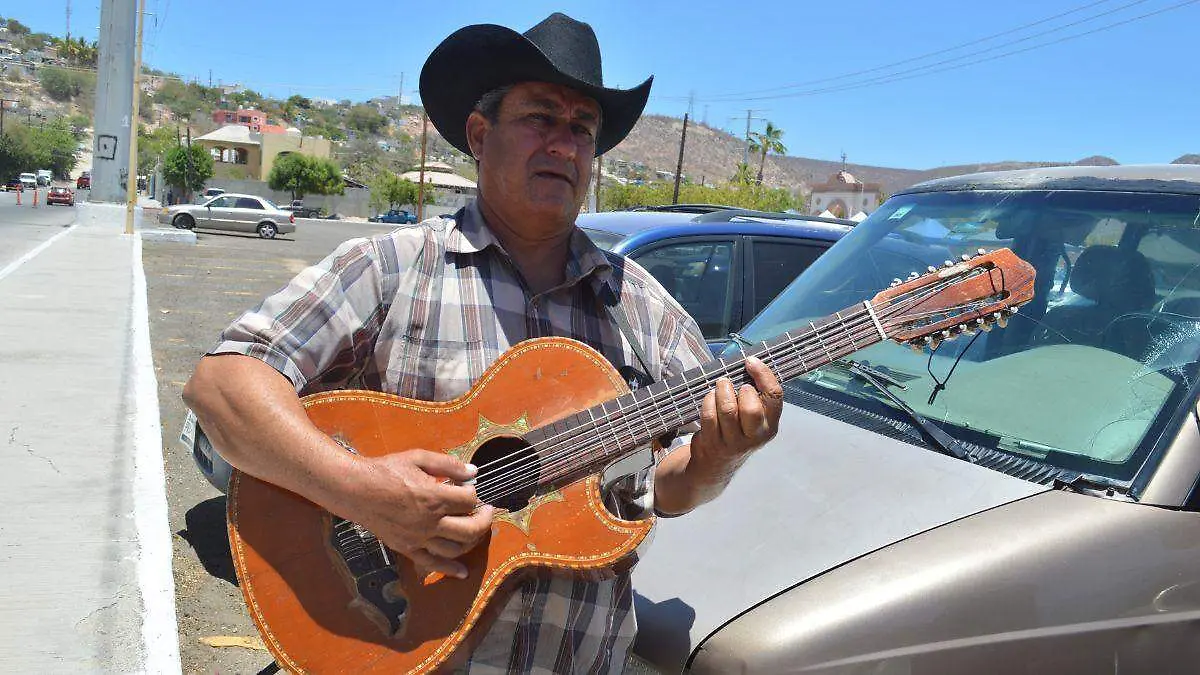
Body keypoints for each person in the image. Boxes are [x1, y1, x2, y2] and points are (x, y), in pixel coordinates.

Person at [182, 12, 783, 673]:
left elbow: (660, 489)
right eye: (540, 118)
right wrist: (366, 495)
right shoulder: (392, 267)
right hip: (401, 645)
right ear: (478, 133)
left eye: (582, 128)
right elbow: (222, 387)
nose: (563, 143)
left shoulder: (643, 310)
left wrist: (715, 461)